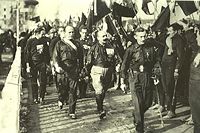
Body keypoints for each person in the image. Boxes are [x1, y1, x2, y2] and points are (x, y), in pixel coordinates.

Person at [120, 27, 160, 133]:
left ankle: (136, 115)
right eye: (141, 36)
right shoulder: (131, 49)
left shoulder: (150, 48)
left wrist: (155, 74)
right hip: (135, 78)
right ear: (135, 37)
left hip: (147, 77)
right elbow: (124, 65)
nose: (143, 38)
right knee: (138, 104)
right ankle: (139, 129)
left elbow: (156, 61)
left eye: (144, 36)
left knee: (147, 103)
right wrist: (122, 81)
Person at [86, 30, 120, 119]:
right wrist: (86, 73)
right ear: (98, 38)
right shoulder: (93, 48)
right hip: (97, 70)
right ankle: (100, 109)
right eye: (102, 36)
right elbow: (88, 61)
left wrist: (117, 64)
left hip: (108, 70)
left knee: (104, 90)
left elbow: (116, 58)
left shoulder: (111, 47)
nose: (105, 38)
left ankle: (99, 104)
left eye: (105, 36)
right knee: (99, 89)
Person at [52, 26, 83, 119]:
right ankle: (61, 99)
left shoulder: (77, 44)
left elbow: (81, 58)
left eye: (72, 32)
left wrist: (81, 69)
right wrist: (57, 67)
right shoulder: (59, 44)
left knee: (73, 91)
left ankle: (71, 112)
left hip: (73, 69)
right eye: (69, 32)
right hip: (62, 69)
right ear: (65, 33)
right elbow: (55, 56)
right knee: (63, 90)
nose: (71, 34)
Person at [161, 24, 184, 119]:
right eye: (168, 30)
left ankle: (171, 110)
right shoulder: (168, 38)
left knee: (171, 88)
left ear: (175, 31)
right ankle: (168, 108)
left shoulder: (179, 40)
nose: (169, 32)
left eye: (170, 31)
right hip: (164, 66)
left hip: (172, 67)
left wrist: (177, 69)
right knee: (166, 88)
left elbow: (181, 56)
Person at [25, 27, 50, 104]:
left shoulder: (44, 41)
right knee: (33, 81)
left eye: (44, 34)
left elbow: (47, 53)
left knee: (43, 81)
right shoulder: (30, 41)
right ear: (37, 33)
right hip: (33, 63)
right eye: (42, 34)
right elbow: (27, 54)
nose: (43, 35)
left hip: (42, 63)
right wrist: (27, 65)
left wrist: (48, 63)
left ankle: (41, 97)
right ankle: (35, 98)